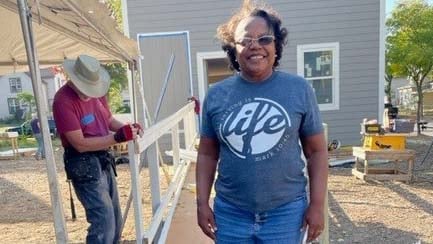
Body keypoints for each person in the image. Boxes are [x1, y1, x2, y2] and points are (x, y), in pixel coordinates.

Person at [196, 1, 328, 243]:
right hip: (230, 213)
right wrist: (201, 203)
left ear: (276, 44)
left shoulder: (298, 89)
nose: (255, 46)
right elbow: (207, 154)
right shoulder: (216, 95)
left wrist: (317, 205)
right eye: (245, 41)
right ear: (233, 48)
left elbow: (317, 151)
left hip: (286, 213)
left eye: (264, 39)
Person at [53, 54, 143, 243]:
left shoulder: (97, 92)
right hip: (82, 162)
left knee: (115, 220)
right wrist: (116, 138)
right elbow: (79, 143)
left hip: (102, 157)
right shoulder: (63, 101)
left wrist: (127, 128)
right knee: (103, 221)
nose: (89, 93)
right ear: (74, 79)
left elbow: (108, 120)